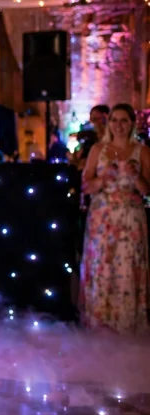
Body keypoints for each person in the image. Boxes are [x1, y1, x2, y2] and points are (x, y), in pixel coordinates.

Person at [81, 103, 149, 334]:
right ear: (109, 123)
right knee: (103, 266)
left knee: (127, 268)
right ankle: (100, 323)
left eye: (124, 121)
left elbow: (148, 190)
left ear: (131, 124)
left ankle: (127, 325)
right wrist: (102, 180)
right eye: (115, 120)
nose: (119, 125)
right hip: (103, 218)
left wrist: (136, 176)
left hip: (130, 218)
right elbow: (86, 186)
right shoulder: (98, 150)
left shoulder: (142, 151)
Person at [77, 104, 111, 169]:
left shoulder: (113, 138)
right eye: (91, 119)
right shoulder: (90, 140)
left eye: (95, 119)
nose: (93, 123)